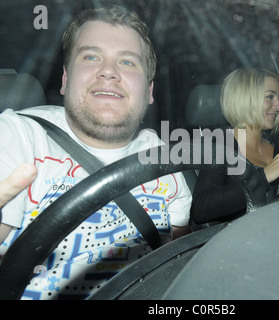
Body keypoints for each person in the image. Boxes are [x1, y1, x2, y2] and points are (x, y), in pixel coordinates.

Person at [0, 5, 192, 300]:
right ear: (65, 80)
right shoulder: (17, 137)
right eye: (91, 57)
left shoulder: (164, 160)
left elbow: (172, 264)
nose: (108, 71)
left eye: (128, 62)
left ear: (150, 91)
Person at [191, 67, 279, 224]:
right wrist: (262, 178)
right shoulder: (221, 147)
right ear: (245, 98)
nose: (278, 106)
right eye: (270, 97)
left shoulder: (278, 143)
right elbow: (201, 209)